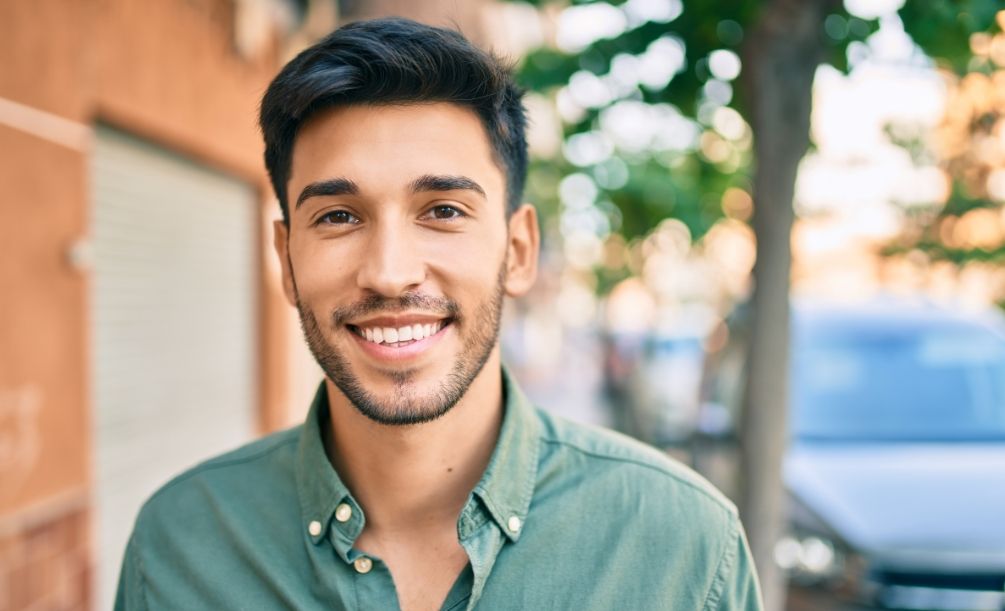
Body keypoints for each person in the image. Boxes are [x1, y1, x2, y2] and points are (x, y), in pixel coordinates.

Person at [114, 17, 762, 611]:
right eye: (338, 216)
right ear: (285, 259)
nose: (390, 271)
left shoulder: (686, 549)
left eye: (443, 210)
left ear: (517, 250)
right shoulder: (178, 547)